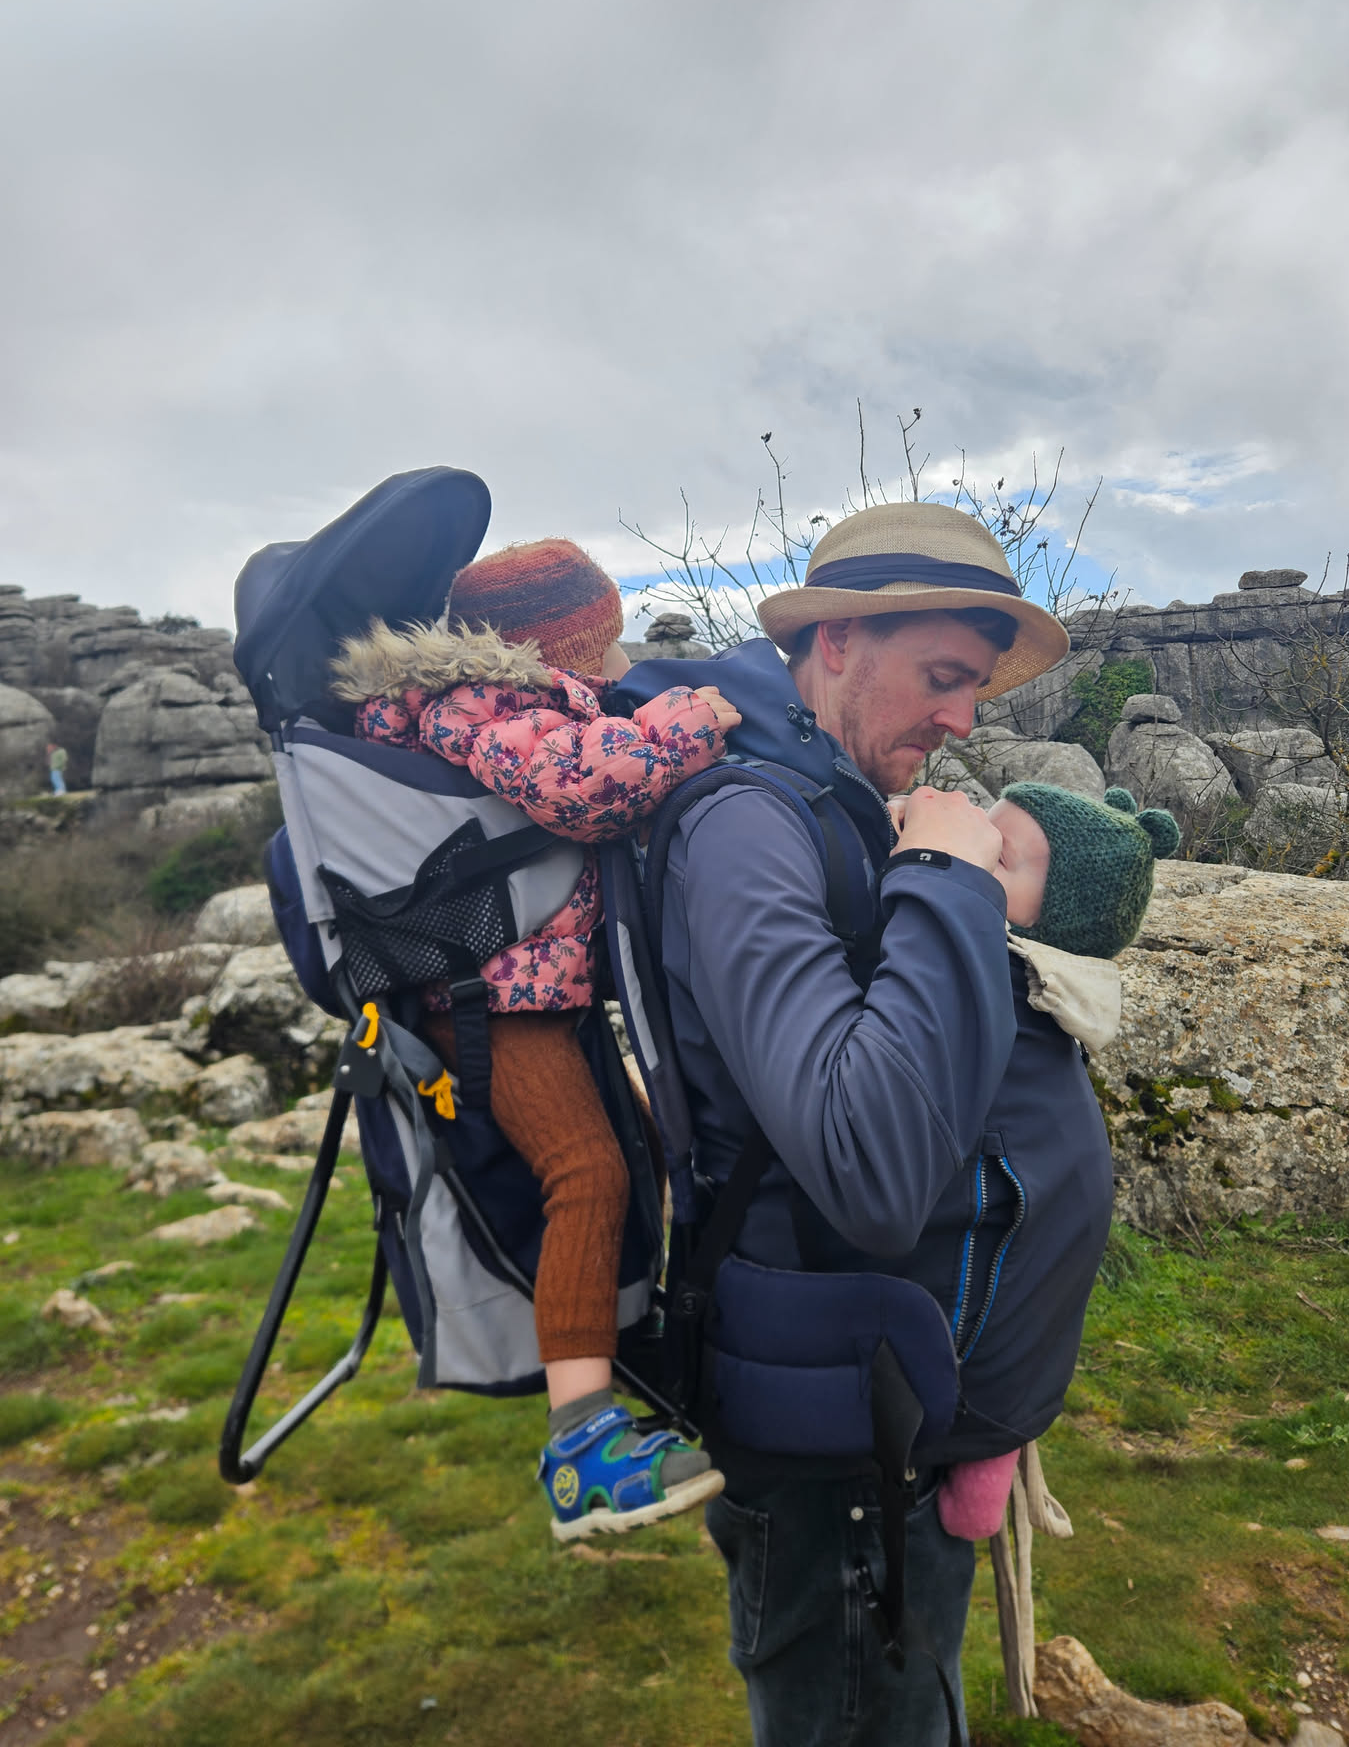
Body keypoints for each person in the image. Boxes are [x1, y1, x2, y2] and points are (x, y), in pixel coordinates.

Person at [618, 500, 1116, 1745]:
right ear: (835, 640)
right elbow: (869, 1165)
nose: (964, 720)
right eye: (944, 678)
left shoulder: (828, 793)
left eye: (976, 688)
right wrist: (946, 881)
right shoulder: (745, 824)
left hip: (886, 1395)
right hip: (839, 1445)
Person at [330, 537, 740, 1540]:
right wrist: (688, 720)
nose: (613, 662)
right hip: (492, 1006)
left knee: (633, 1155)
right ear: (558, 644)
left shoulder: (496, 705)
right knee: (587, 1174)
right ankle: (580, 1453)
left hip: (525, 996)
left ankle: (614, 1345)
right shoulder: (481, 708)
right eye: (601, 644)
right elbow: (579, 790)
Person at [929, 778, 1180, 1541]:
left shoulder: (998, 979)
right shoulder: (1051, 994)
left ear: (1054, 916)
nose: (975, 850)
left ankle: (978, 1474)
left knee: (1001, 1316)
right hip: (1052, 1225)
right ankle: (987, 1469)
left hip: (1010, 1282)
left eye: (1000, 856)